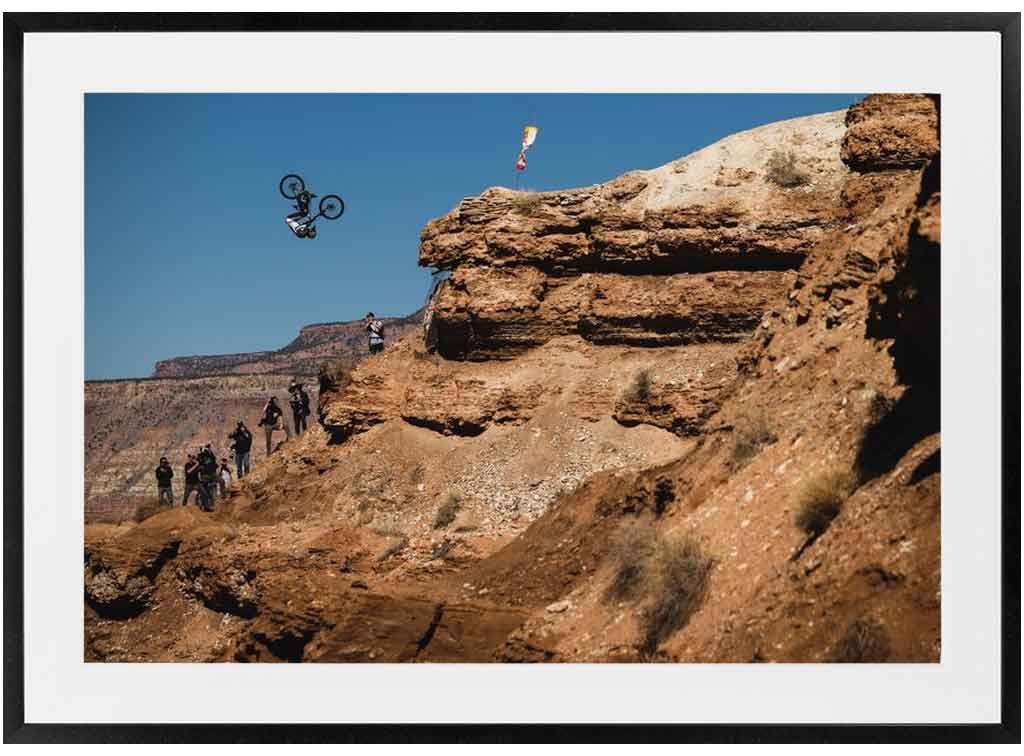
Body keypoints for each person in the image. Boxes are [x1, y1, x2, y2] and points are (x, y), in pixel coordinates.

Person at [197, 444, 219, 511]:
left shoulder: (210, 456)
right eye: (206, 449)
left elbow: (213, 459)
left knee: (210, 492)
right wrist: (202, 451)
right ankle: (204, 506)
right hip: (204, 476)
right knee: (205, 493)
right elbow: (199, 460)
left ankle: (209, 506)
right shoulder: (201, 456)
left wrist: (209, 450)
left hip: (210, 476)